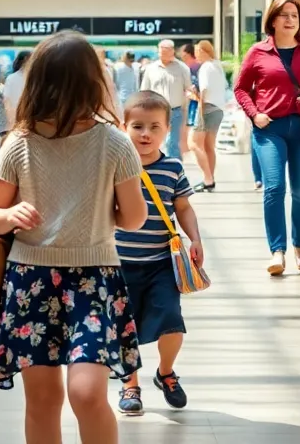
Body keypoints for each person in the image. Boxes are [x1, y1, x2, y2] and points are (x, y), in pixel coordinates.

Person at [0, 30, 147, 443]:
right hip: (30, 279)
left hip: (93, 278)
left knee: (86, 392)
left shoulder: (114, 144)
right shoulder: (19, 143)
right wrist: (9, 213)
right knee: (42, 399)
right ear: (91, 82)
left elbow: (134, 218)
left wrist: (94, 207)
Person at [115, 91, 203, 416]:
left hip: (161, 264)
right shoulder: (116, 167)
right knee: (125, 327)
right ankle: (130, 384)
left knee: (172, 323)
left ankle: (165, 372)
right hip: (120, 264)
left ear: (168, 128)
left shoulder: (172, 168)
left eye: (154, 126)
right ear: (124, 127)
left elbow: (183, 207)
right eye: (137, 126)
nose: (145, 134)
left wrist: (195, 239)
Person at [233, 0, 300, 277]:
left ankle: (299, 246)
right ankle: (277, 251)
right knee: (274, 188)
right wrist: (254, 114)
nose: (290, 20)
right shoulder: (258, 52)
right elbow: (241, 89)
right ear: (273, 20)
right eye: (285, 15)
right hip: (269, 129)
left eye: (295, 16)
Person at [139, 40, 193, 160]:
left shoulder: (182, 68)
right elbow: (144, 91)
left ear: (172, 51)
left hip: (176, 111)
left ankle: (173, 168)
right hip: (156, 112)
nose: (162, 54)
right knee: (157, 141)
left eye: (165, 52)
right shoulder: (151, 69)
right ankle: (163, 165)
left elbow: (188, 90)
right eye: (160, 52)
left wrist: (186, 110)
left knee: (172, 142)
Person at [190, 41, 227, 192]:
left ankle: (208, 179)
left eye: (198, 51)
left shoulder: (205, 67)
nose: (196, 55)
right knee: (208, 146)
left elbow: (204, 90)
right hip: (219, 108)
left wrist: (197, 101)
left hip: (207, 108)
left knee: (194, 143)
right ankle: (210, 179)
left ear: (204, 51)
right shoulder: (217, 66)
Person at [2, 50, 31, 132]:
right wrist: (11, 119)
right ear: (25, 60)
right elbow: (6, 101)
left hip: (26, 120)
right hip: (16, 119)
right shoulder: (11, 78)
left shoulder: (33, 79)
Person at [180, 43, 201, 134]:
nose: (181, 57)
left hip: (197, 101)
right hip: (189, 101)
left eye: (183, 54)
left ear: (188, 54)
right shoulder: (184, 67)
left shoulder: (198, 66)